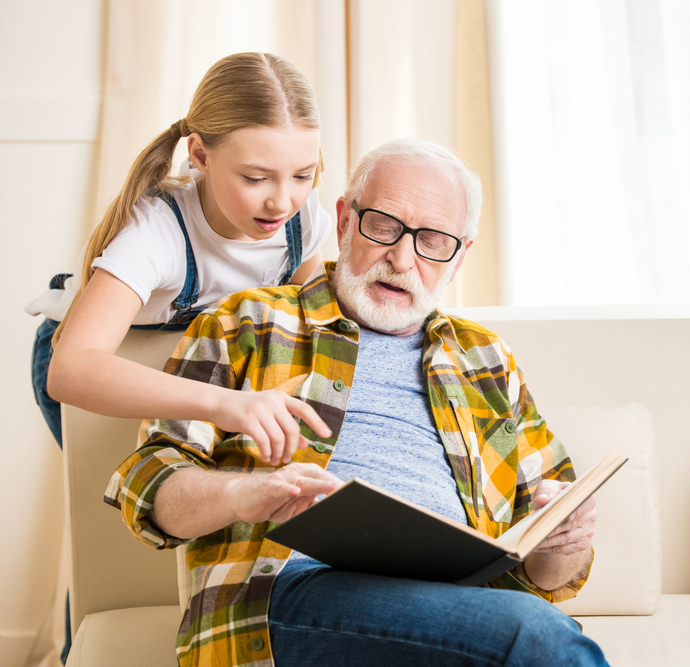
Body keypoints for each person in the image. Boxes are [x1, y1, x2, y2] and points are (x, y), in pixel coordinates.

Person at [105, 138, 608, 667]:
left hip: (460, 610)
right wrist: (243, 494)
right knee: (538, 638)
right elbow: (150, 483)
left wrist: (563, 547)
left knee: (536, 626)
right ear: (344, 221)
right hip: (292, 597)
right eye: (385, 226)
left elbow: (546, 577)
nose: (402, 257)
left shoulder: (486, 359)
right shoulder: (249, 322)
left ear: (459, 256)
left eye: (433, 240)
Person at [26, 52, 334, 459]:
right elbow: (71, 370)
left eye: (302, 175)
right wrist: (225, 403)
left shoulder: (300, 220)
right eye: (256, 178)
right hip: (110, 364)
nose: (282, 202)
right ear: (201, 156)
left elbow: (315, 314)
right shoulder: (157, 231)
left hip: (197, 367)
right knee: (132, 507)